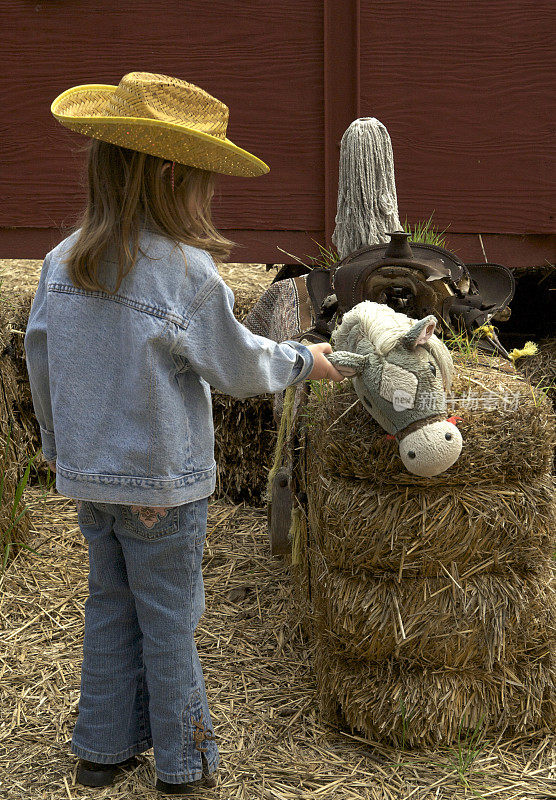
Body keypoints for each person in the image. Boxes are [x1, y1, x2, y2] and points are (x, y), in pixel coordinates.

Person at [24, 72, 344, 796]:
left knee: (110, 603)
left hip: (90, 477)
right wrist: (302, 360)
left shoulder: (59, 262)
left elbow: (39, 361)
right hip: (162, 485)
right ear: (172, 175)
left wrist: (55, 446)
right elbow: (235, 365)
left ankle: (100, 752)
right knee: (170, 619)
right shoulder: (185, 275)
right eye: (201, 180)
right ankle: (183, 762)